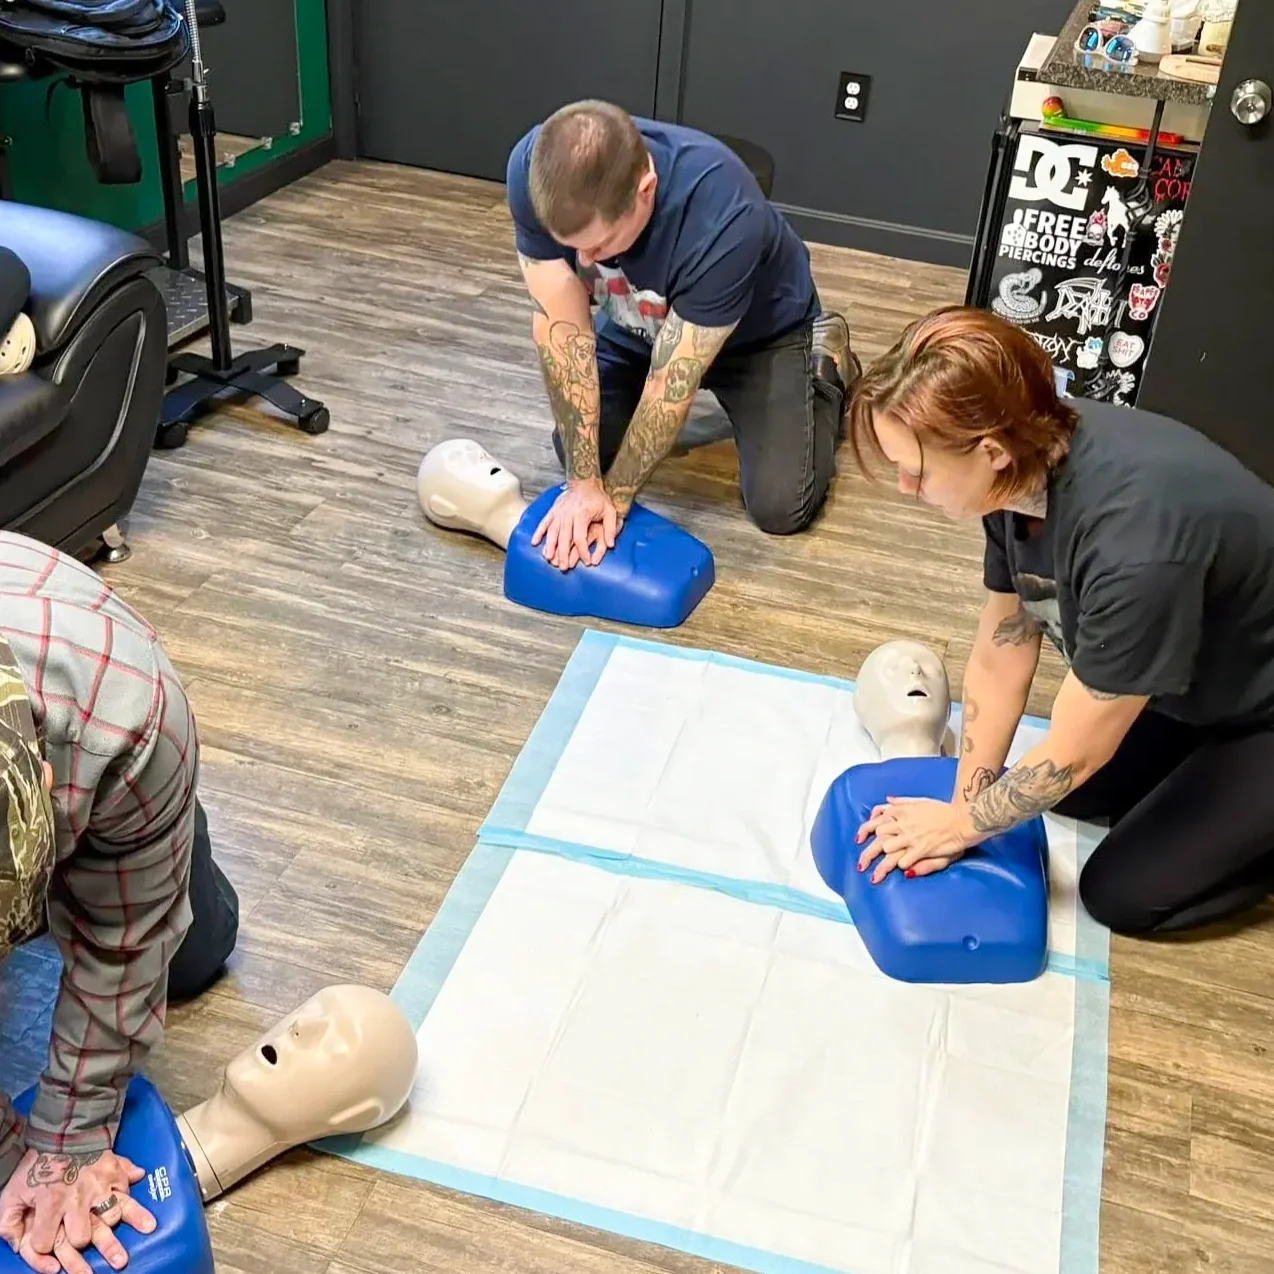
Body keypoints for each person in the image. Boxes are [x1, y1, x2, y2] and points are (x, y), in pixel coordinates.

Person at [847, 305, 1274, 937]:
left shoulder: (1135, 545)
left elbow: (1079, 749)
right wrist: (965, 803)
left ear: (989, 451)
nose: (907, 488)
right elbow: (1001, 652)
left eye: (916, 470)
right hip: (1205, 672)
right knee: (1055, 795)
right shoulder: (1019, 467)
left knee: (1120, 893)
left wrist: (959, 828)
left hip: (1263, 710)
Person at [0, 531, 239, 1274]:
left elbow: (124, 946)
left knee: (190, 956)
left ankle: (143, 844)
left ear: (42, 778)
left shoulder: (132, 717)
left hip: (116, 779)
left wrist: (67, 1139)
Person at [505, 99, 860, 569]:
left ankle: (826, 365)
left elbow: (671, 385)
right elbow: (563, 333)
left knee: (781, 506)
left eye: (600, 243)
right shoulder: (536, 170)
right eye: (575, 247)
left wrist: (614, 501)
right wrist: (584, 486)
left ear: (646, 189)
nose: (586, 262)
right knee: (577, 450)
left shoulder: (725, 217)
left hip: (756, 338)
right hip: (640, 319)